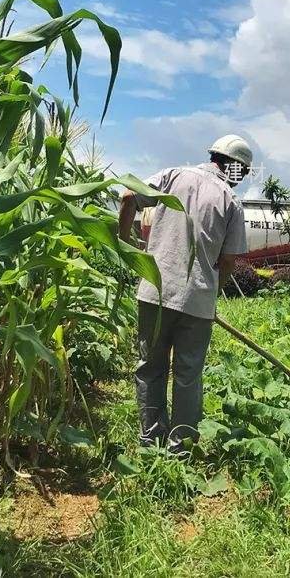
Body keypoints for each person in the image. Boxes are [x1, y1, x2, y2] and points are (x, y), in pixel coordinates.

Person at [118, 135, 251, 453]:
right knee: (188, 374)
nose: (242, 179)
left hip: (155, 292)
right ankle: (180, 447)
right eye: (243, 173)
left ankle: (151, 440)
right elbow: (229, 260)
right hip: (197, 301)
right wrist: (212, 294)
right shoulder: (230, 201)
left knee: (151, 367)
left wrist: (124, 245)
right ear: (235, 169)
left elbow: (127, 197)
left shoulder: (171, 176)